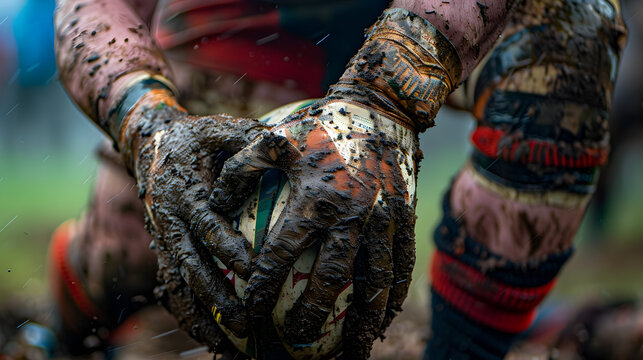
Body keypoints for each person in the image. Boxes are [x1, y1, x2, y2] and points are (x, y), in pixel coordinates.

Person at [50, 0, 626, 359]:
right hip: (243, 26)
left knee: (570, 28)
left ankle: (468, 347)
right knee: (134, 251)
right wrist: (147, 125)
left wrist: (388, 93)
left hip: (432, 12)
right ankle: (67, 320)